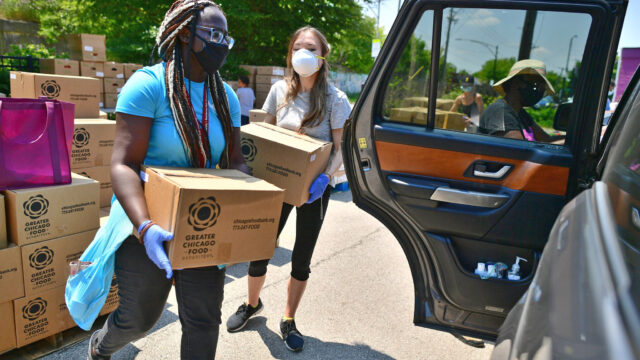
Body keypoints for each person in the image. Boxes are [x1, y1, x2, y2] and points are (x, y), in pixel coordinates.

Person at [87, 1, 247, 359]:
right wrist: (145, 228)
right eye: (214, 34)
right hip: (145, 219)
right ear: (184, 34)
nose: (223, 44)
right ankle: (101, 347)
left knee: (203, 321)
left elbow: (236, 162)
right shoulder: (148, 87)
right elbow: (123, 164)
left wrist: (250, 210)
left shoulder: (226, 98)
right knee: (139, 319)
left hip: (202, 220)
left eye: (227, 37)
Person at [225, 25, 352, 352]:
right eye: (298, 47)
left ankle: (289, 319)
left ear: (322, 57)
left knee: (301, 257)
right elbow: (265, 134)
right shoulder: (279, 90)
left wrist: (325, 177)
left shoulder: (336, 99)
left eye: (310, 48)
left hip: (315, 189)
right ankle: (252, 304)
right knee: (261, 247)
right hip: (276, 184)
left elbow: (340, 147)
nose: (303, 53)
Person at [479, 59, 563, 142]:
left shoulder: (521, 114)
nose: (538, 91)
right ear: (515, 83)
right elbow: (518, 147)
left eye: (541, 88)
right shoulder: (499, 111)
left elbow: (546, 140)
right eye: (536, 85)